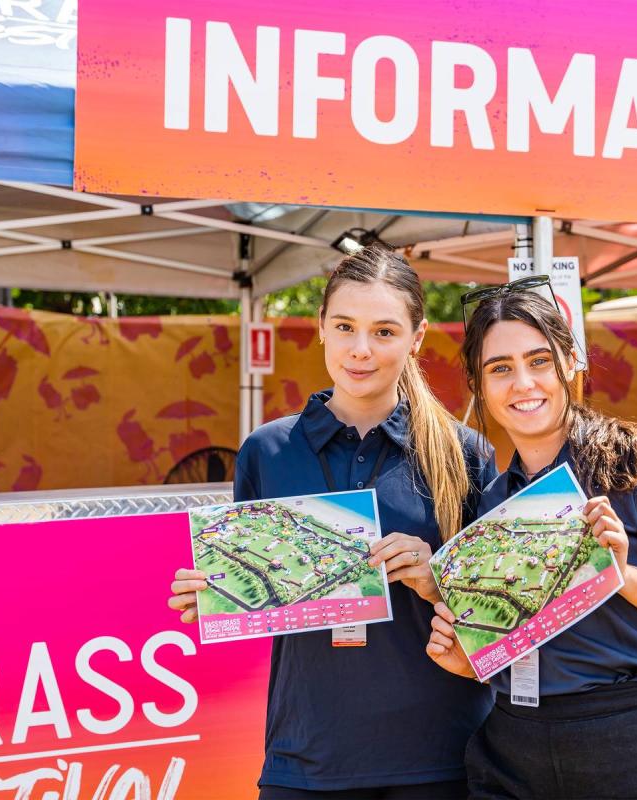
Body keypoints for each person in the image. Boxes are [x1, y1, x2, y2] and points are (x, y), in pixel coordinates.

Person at [168, 246, 496, 799]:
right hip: (306, 755)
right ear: (321, 328)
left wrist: (436, 576)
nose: (360, 350)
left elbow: (499, 618)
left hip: (442, 756)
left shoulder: (464, 454)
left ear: (417, 339)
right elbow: (264, 599)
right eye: (345, 326)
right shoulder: (267, 452)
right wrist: (220, 597)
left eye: (384, 332)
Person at [426, 280, 637, 800]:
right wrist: (468, 659)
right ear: (478, 384)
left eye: (539, 360)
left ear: (569, 362)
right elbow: (513, 639)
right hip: (513, 744)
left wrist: (620, 575)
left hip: (632, 741)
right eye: (500, 368)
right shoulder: (493, 501)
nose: (523, 383)